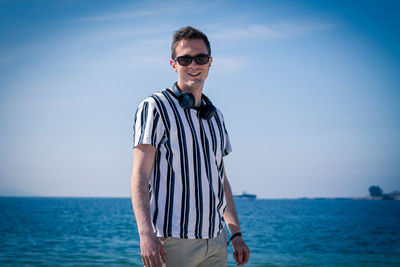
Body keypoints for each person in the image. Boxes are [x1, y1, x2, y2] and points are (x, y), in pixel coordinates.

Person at [131, 26, 250, 267]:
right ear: (174, 64)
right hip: (173, 242)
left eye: (200, 58)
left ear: (210, 62)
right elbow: (140, 175)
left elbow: (221, 180)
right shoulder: (155, 107)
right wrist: (146, 235)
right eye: (185, 59)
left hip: (216, 241)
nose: (193, 65)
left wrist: (235, 233)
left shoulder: (216, 116)